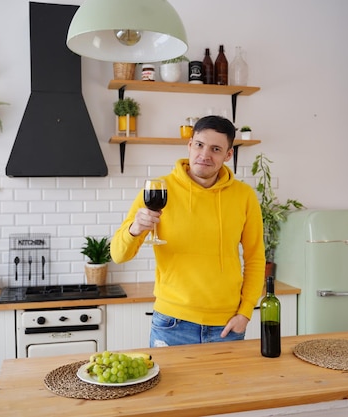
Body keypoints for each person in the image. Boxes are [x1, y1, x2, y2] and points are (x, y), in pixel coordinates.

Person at [110, 115, 266, 347]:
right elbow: (118, 255)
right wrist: (135, 230)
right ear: (190, 145)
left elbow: (255, 258)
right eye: (200, 145)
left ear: (228, 155)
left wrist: (245, 314)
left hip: (227, 325)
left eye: (216, 149)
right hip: (172, 323)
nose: (205, 155)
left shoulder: (244, 196)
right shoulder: (158, 188)